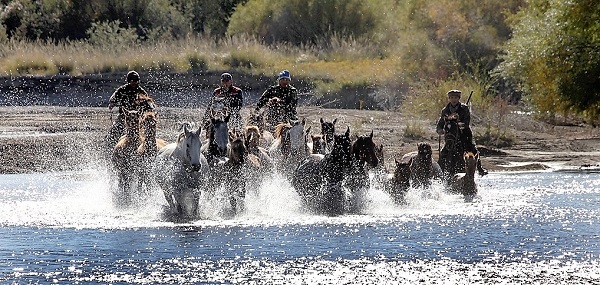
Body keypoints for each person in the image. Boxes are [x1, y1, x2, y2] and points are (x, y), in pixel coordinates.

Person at [436, 89, 488, 176]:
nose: (454, 100)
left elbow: (467, 122)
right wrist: (439, 130)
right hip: (450, 135)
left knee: (472, 149)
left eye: (455, 98)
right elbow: (441, 123)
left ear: (458, 98)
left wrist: (459, 124)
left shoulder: (464, 108)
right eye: (452, 98)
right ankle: (439, 170)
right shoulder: (445, 110)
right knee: (444, 152)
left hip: (464, 133)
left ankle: (480, 168)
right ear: (449, 98)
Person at [107, 71, 154, 147]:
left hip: (138, 117)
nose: (133, 83)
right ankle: (110, 146)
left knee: (149, 129)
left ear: (137, 81)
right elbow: (113, 98)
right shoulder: (122, 90)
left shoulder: (141, 91)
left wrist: (150, 107)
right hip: (124, 116)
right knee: (114, 131)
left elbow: (148, 101)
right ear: (128, 81)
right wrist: (112, 103)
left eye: (135, 81)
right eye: (131, 81)